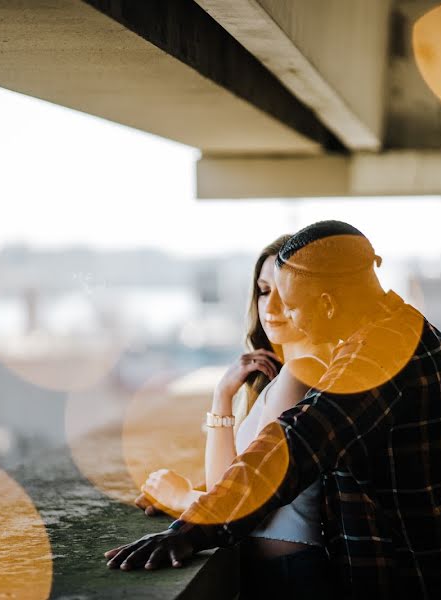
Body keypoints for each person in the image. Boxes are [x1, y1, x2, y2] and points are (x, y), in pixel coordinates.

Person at [106, 221, 441, 599]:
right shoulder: (407, 329)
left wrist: (191, 530)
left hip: (423, 582)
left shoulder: (377, 361)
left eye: (293, 304)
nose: (283, 314)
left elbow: (292, 446)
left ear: (328, 304)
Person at [134, 234, 335, 599]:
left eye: (284, 290)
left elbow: (252, 507)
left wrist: (180, 499)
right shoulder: (288, 375)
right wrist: (222, 396)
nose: (270, 306)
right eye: (262, 290)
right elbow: (223, 488)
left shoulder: (302, 373)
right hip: (277, 572)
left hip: (291, 578)